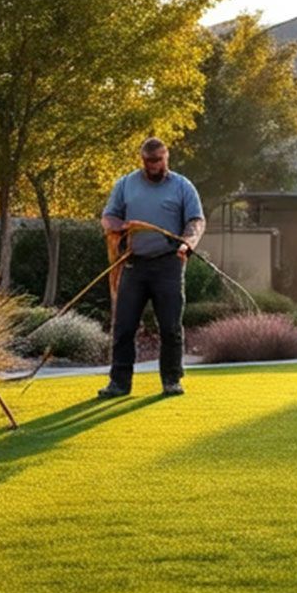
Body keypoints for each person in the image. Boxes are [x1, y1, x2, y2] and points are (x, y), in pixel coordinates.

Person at [99, 137, 205, 398]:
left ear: (166, 158)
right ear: (142, 159)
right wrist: (120, 226)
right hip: (134, 265)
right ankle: (119, 383)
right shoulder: (125, 184)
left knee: (170, 326)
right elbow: (109, 216)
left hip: (168, 264)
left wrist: (187, 244)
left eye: (157, 160)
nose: (153, 165)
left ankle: (172, 380)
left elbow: (195, 220)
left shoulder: (182, 186)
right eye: (148, 160)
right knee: (124, 326)